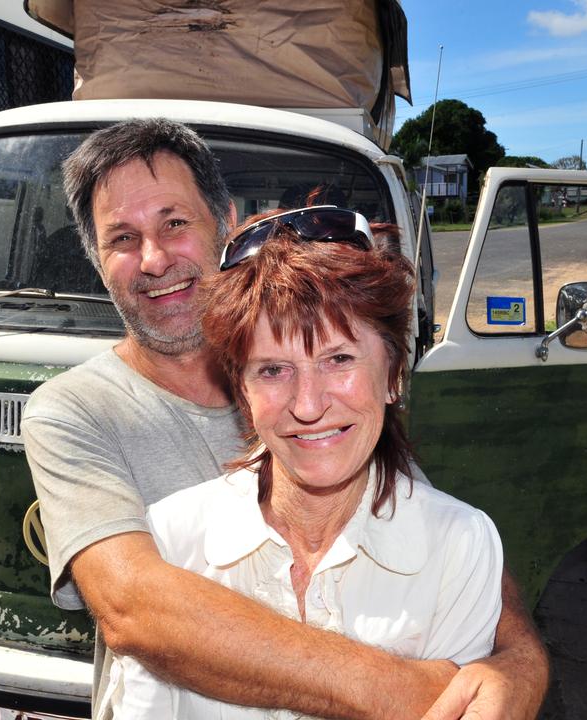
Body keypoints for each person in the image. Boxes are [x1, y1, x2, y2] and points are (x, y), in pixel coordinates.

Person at [22, 118, 548, 720]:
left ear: (222, 226)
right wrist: (418, 694)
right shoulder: (73, 412)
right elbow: (136, 609)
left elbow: (425, 533)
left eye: (174, 223)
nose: (154, 258)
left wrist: (518, 660)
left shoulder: (345, 402)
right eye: (121, 239)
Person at [101, 208, 505, 719]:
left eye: (339, 359)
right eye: (272, 369)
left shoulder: (462, 546)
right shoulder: (173, 537)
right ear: (242, 393)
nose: (308, 405)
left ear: (393, 376)